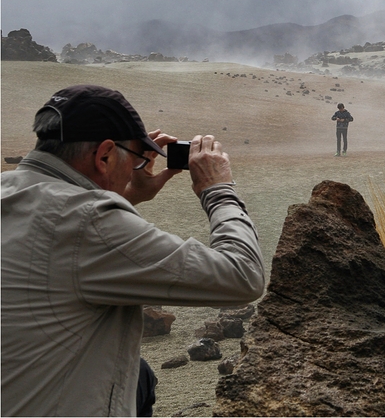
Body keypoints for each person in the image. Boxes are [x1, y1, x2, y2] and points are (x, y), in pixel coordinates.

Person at [1, 85, 265, 417]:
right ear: (104, 156)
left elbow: (64, 248)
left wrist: (127, 195)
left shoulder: (10, 193)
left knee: (140, 375)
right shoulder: (87, 220)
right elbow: (242, 277)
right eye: (136, 159)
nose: (136, 169)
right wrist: (218, 190)